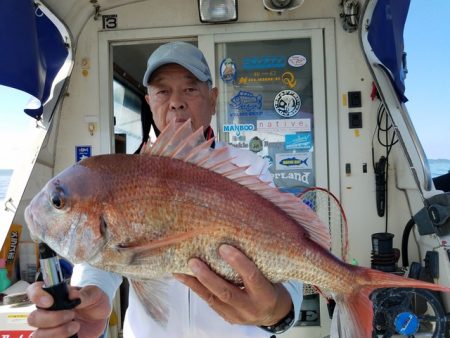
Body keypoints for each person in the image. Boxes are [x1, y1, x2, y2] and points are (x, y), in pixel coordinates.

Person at [27, 41, 303, 338]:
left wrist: (279, 314)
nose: (176, 102)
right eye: (162, 91)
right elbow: (101, 258)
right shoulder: (126, 177)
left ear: (212, 99)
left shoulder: (249, 168)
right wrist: (91, 299)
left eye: (190, 89)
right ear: (149, 101)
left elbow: (287, 257)